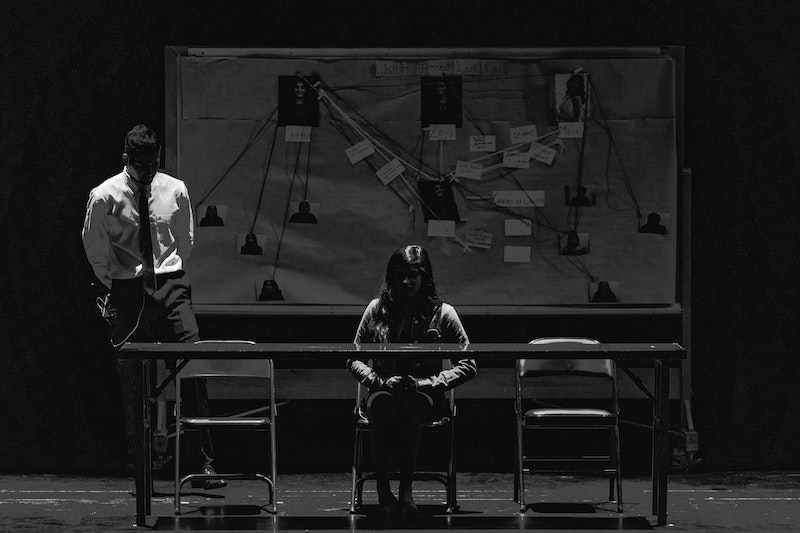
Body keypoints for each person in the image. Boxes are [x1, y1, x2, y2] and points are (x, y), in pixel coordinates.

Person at [81, 125, 224, 489]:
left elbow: (185, 240)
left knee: (193, 372)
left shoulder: (174, 189)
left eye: (154, 164)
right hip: (129, 288)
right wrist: (117, 283)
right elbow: (94, 246)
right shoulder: (105, 195)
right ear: (127, 159)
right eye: (142, 165)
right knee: (133, 381)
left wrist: (167, 273)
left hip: (171, 286)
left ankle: (202, 464)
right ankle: (139, 462)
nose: (149, 172)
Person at [347, 245, 476, 517]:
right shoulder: (376, 310)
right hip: (382, 391)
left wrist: (426, 383)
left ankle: (406, 488)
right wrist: (379, 381)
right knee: (383, 407)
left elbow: (468, 364)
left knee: (408, 406)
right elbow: (353, 357)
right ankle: (383, 489)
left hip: (424, 394)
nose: (406, 281)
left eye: (413, 275)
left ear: (425, 277)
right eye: (400, 274)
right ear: (391, 277)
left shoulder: (443, 313)